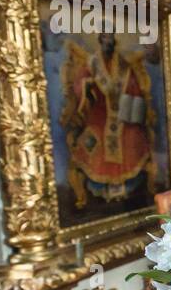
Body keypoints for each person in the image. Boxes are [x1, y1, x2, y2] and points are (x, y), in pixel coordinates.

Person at [60, 30, 156, 209]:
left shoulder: (124, 66)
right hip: (98, 114)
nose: (108, 42)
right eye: (104, 39)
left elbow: (134, 89)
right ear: (100, 41)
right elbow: (80, 87)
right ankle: (99, 190)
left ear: (114, 41)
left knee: (132, 138)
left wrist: (135, 109)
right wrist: (86, 88)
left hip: (124, 115)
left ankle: (127, 187)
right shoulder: (91, 64)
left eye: (110, 38)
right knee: (92, 140)